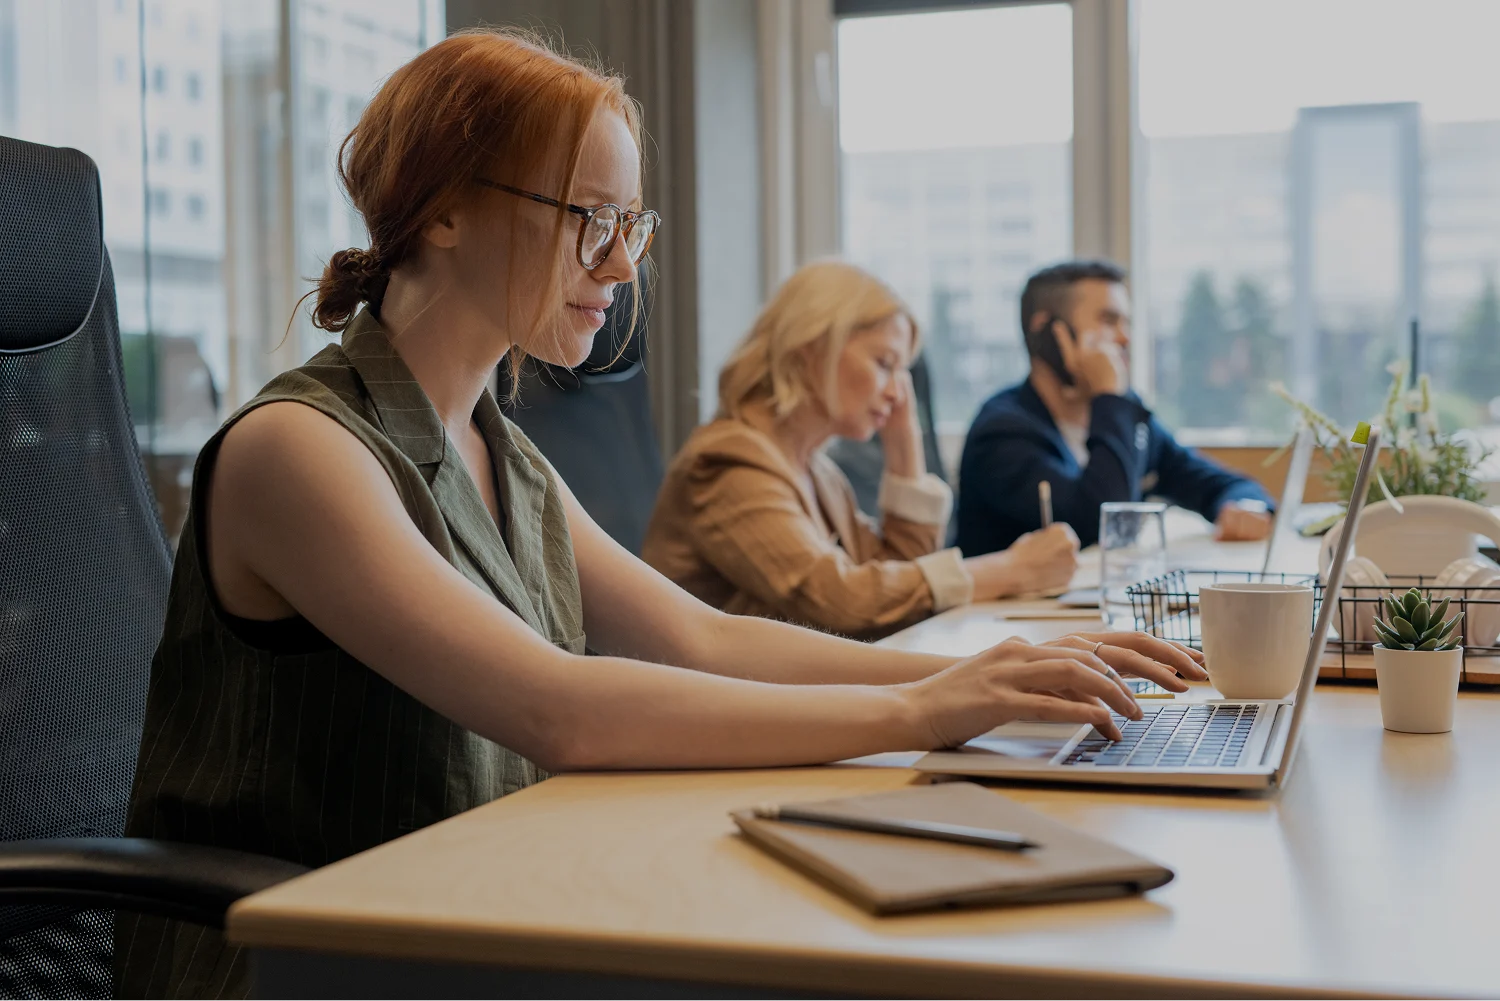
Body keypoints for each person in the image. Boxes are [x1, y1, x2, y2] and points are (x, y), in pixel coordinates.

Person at [113, 33, 1206, 1000]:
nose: (624, 263)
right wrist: (921, 710)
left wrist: (991, 674)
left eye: (631, 223)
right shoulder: (297, 449)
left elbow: (701, 636)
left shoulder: (502, 450)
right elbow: (561, 710)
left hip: (472, 908)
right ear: (442, 206)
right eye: (590, 217)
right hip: (294, 960)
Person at [644, 261, 1081, 639]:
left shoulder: (815, 471)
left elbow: (895, 595)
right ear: (812, 347)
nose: (899, 393)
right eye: (884, 364)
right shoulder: (728, 464)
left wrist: (904, 449)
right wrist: (1009, 570)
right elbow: (840, 600)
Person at [956, 260, 1275, 556]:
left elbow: (1217, 481)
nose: (1125, 338)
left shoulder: (1127, 416)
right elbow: (1098, 526)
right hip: (1005, 615)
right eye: (1109, 321)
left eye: (1126, 323)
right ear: (1048, 332)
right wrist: (1108, 396)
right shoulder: (1002, 433)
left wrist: (1245, 506)